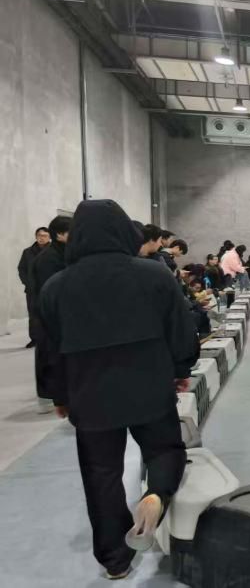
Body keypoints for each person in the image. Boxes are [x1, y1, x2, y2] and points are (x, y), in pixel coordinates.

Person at [38, 200, 197, 580]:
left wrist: (58, 395)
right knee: (164, 450)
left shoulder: (56, 287)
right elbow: (180, 327)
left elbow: (48, 350)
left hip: (89, 395)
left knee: (101, 474)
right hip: (149, 386)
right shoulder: (154, 275)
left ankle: (115, 560)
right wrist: (180, 369)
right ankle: (156, 494)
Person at [30, 216, 71, 413]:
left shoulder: (61, 252)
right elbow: (51, 291)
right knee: (50, 356)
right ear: (60, 235)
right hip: (50, 315)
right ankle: (52, 396)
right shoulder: (49, 258)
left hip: (58, 313)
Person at [18, 226, 51, 348]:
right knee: (33, 316)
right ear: (36, 236)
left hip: (49, 289)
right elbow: (21, 268)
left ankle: (50, 338)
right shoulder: (27, 252)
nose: (41, 238)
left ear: (49, 237)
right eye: (39, 235)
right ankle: (35, 339)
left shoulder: (53, 251)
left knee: (49, 314)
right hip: (32, 290)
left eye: (44, 236)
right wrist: (27, 282)